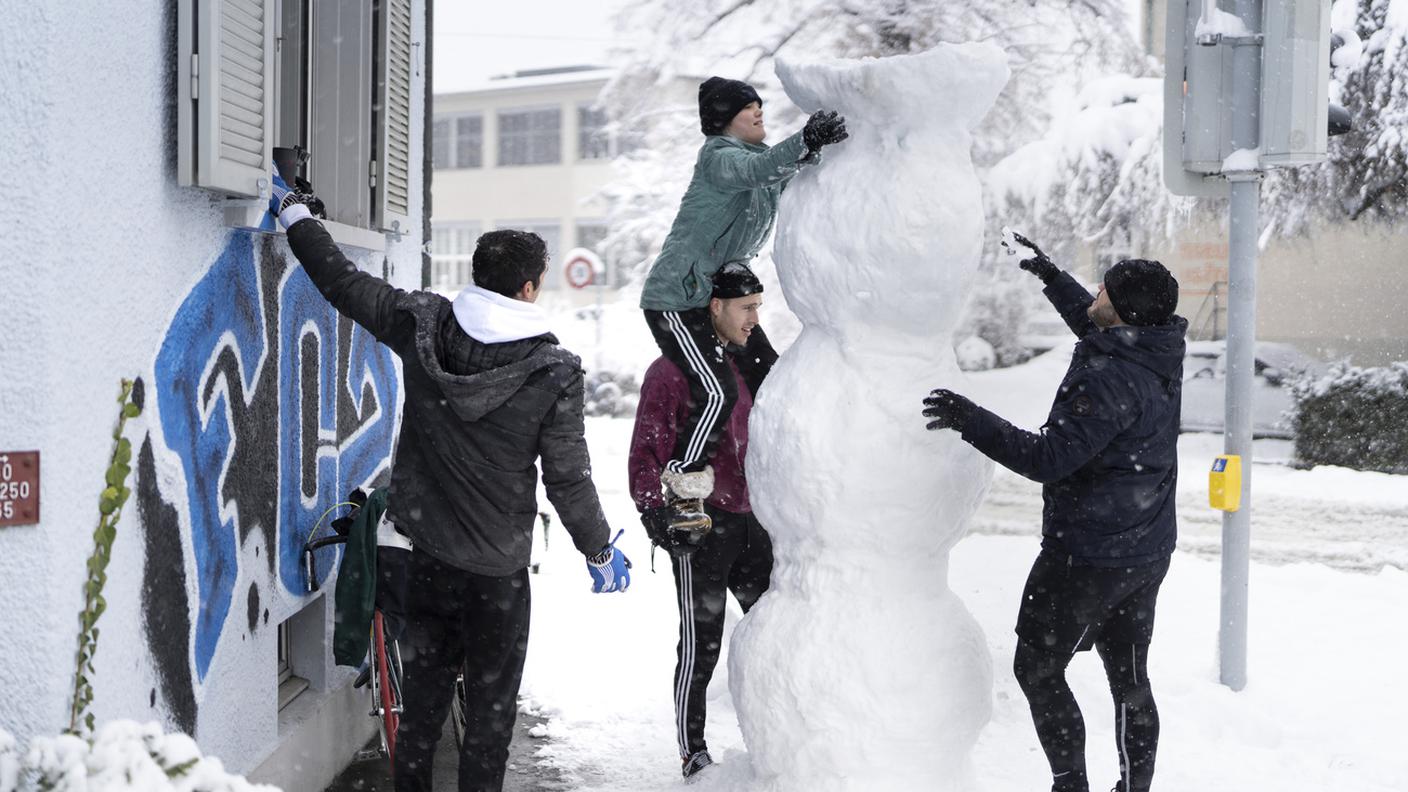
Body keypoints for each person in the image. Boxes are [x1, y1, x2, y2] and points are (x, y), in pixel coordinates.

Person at [266, 175, 631, 792]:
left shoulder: (423, 325)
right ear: (528, 287)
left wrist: (297, 215)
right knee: (489, 721)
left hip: (424, 561)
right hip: (496, 578)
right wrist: (598, 547)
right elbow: (568, 479)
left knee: (422, 710)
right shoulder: (553, 371)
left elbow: (343, 286)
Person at [921, 234, 1186, 792]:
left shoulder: (1110, 377)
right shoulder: (1156, 348)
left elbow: (1048, 459)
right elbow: (1096, 324)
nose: (1096, 292)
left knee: (1037, 668)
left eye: (1104, 290)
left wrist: (971, 418)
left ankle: (1071, 785)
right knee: (1130, 678)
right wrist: (1050, 277)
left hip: (1086, 555)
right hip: (1144, 546)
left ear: (1122, 310)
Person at [639, 76, 848, 500]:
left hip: (716, 301)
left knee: (767, 374)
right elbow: (757, 170)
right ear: (724, 119)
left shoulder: (763, 163)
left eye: (759, 104)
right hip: (677, 300)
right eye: (747, 107)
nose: (759, 111)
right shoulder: (719, 158)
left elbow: (779, 172)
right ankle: (683, 483)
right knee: (717, 391)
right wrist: (803, 139)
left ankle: (779, 462)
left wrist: (818, 148)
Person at [629, 263, 776, 779]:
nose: (756, 317)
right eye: (746, 307)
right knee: (701, 640)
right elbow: (644, 452)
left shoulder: (748, 360)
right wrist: (654, 514)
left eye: (760, 306)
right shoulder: (670, 372)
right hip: (703, 526)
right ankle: (693, 750)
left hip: (753, 521)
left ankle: (780, 733)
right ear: (715, 307)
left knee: (772, 627)